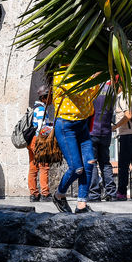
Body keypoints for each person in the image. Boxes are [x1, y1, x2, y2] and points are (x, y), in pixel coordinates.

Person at [50, 68, 99, 214]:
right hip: (66, 126)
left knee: (89, 163)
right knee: (76, 168)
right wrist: (94, 77)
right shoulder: (61, 73)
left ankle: (82, 204)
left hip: (82, 124)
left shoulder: (84, 74)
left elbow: (92, 94)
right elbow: (80, 91)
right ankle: (59, 195)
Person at [88, 81, 117, 201]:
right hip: (105, 130)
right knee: (105, 163)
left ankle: (94, 193)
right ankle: (111, 192)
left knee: (92, 163)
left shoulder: (90, 89)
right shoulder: (111, 90)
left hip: (91, 130)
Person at [27, 85, 52, 202]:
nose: (51, 99)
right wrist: (53, 129)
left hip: (32, 140)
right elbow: (42, 128)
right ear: (44, 98)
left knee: (33, 167)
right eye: (50, 97)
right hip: (39, 140)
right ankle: (45, 193)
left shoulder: (35, 108)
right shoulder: (41, 110)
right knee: (44, 167)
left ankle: (34, 194)